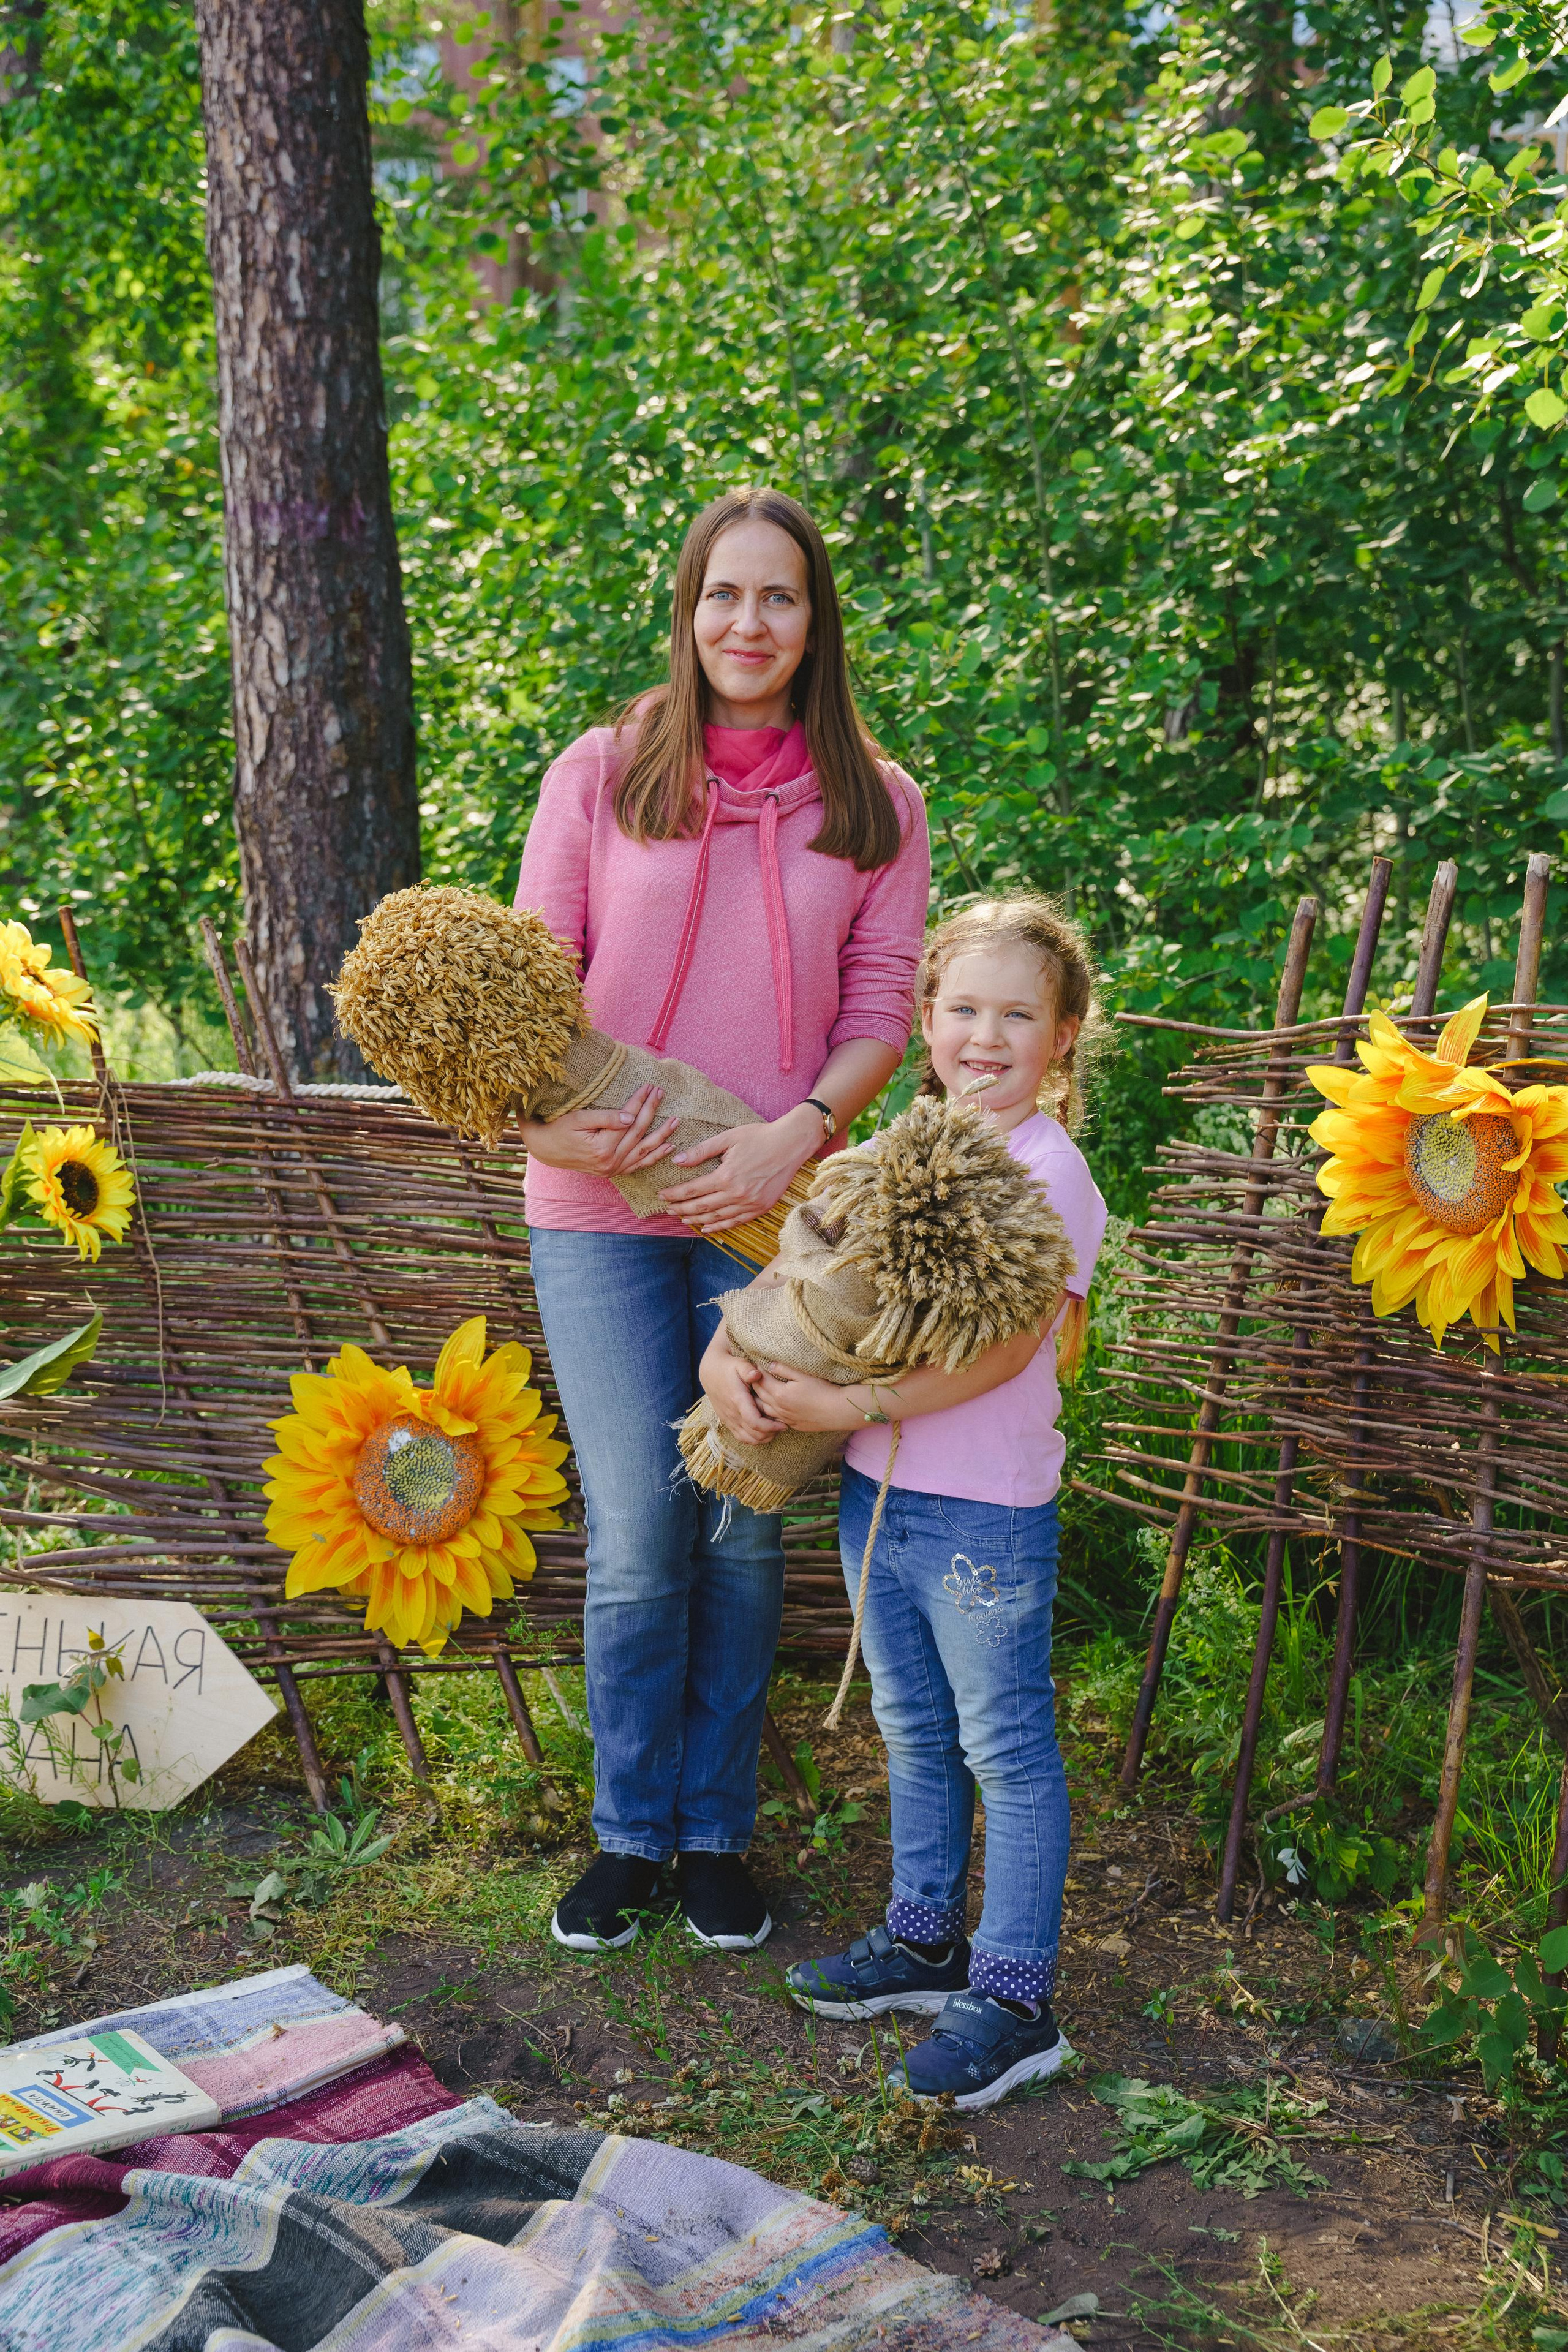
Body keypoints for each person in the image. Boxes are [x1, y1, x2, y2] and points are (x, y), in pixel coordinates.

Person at [514, 487, 930, 1956]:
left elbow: (882, 1008)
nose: (747, 624)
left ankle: (716, 1837)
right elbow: (528, 986)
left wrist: (793, 1137)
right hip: (598, 1207)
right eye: (722, 596)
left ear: (816, 624)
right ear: (685, 611)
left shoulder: (874, 801)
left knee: (745, 1525)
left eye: (779, 598)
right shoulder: (601, 772)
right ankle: (628, 1833)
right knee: (637, 1526)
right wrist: (546, 1124)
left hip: (771, 1215)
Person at [700, 896, 1106, 2109]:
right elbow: (792, 1276)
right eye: (963, 1008)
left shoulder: (1047, 1172)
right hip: (879, 1502)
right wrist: (729, 1363)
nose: (984, 1036)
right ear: (925, 1018)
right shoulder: (887, 1152)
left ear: (1064, 1034)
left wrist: (849, 1410)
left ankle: (1014, 1997)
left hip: (982, 1515)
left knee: (1005, 1749)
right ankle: (923, 1941)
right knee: (913, 1730)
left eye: (1016, 1015)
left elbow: (1001, 1352)